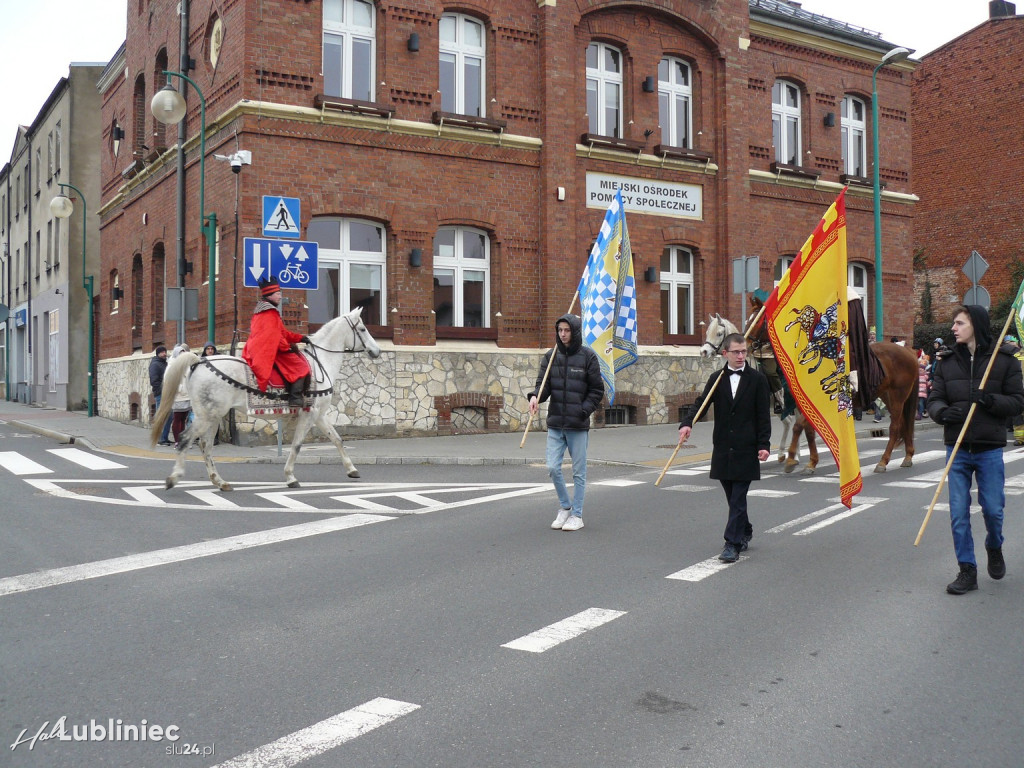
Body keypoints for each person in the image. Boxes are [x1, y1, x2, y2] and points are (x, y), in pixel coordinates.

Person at [926, 305, 1024, 595]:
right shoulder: (945, 361)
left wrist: (990, 401)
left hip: (989, 448)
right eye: (953, 323)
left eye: (959, 323)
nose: (953, 328)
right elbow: (934, 399)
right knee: (958, 513)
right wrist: (943, 413)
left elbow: (1018, 402)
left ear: (975, 326)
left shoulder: (1005, 361)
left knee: (993, 510)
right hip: (956, 448)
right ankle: (967, 570)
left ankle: (994, 545)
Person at [679, 332, 771, 562]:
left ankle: (732, 543)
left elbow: (763, 416)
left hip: (746, 448)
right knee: (732, 497)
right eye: (736, 352)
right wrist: (687, 423)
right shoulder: (717, 378)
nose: (741, 356)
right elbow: (702, 403)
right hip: (723, 446)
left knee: (738, 496)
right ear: (725, 354)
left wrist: (764, 444)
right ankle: (745, 529)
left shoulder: (758, 380)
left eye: (744, 352)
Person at [528, 314, 604, 532]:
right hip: (555, 423)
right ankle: (565, 507)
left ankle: (577, 515)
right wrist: (535, 396)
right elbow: (542, 385)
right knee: (553, 467)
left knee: (579, 472)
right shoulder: (551, 356)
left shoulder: (588, 357)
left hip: (577, 424)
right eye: (560, 330)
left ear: (575, 331)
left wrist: (583, 410)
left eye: (567, 330)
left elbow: (597, 390)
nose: (562, 334)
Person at [242, 277, 311, 407]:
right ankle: (295, 398)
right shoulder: (270, 313)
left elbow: (281, 333)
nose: (280, 296)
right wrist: (287, 348)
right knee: (301, 366)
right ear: (270, 295)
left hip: (259, 348)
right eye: (278, 293)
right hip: (268, 351)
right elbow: (275, 338)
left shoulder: (262, 311)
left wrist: (300, 338)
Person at [149, 345, 173, 446]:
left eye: (165, 352)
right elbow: (154, 381)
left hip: (167, 393)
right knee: (161, 416)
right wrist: (161, 391)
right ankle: (159, 438)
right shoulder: (155, 364)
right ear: (158, 353)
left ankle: (164, 437)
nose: (164, 354)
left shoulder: (165, 364)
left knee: (170, 416)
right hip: (160, 394)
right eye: (162, 352)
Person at [169, 343, 192, 447]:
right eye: (181, 353)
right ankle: (177, 441)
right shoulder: (172, 365)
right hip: (177, 396)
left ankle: (182, 440)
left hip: (187, 396)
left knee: (183, 419)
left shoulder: (187, 366)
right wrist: (179, 388)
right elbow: (168, 380)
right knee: (177, 419)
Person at [916, 348, 930, 420]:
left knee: (921, 404)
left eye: (921, 369)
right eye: (919, 369)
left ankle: (919, 414)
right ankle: (919, 413)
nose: (920, 370)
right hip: (918, 392)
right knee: (918, 404)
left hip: (922, 393)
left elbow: (927, 384)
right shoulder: (916, 376)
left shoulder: (925, 376)